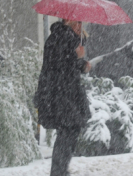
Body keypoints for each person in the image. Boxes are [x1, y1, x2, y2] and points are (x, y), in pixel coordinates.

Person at [34, 19, 92, 176]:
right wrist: (76, 56)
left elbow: (63, 63)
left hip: (62, 92)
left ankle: (59, 170)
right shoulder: (63, 37)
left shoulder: (59, 36)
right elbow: (61, 64)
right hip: (62, 93)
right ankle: (59, 171)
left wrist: (82, 65)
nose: (80, 26)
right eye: (77, 22)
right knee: (69, 131)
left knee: (68, 131)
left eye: (81, 23)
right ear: (68, 20)